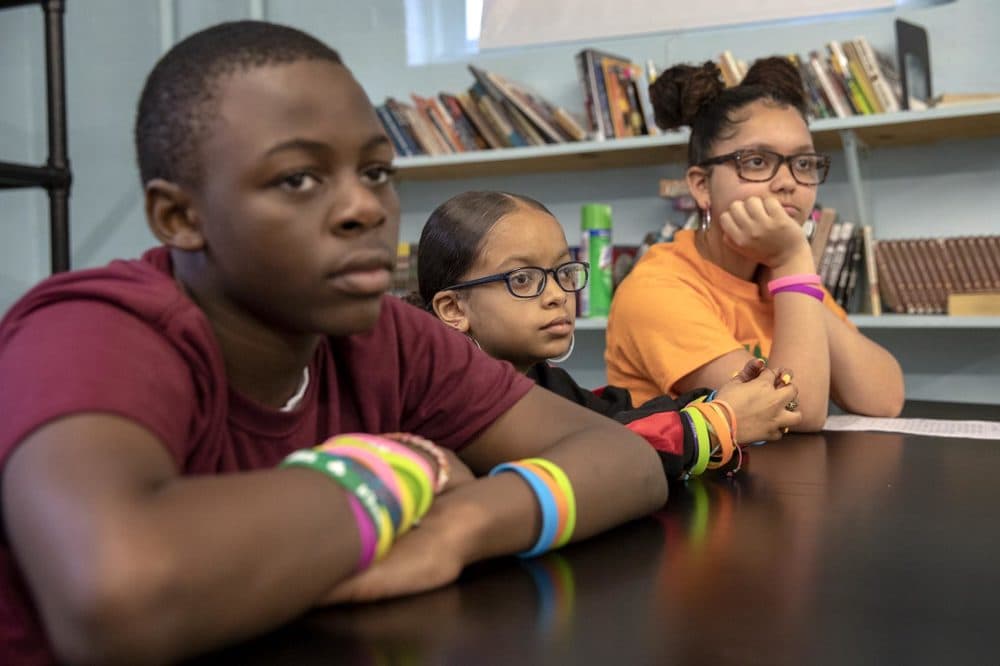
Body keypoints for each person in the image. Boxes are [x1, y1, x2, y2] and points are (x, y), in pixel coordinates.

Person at [0, 22, 668, 665]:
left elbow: (622, 460)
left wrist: (460, 529)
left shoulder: (388, 333)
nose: (366, 209)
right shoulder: (92, 331)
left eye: (376, 172)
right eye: (298, 179)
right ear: (179, 217)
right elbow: (116, 594)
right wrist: (403, 469)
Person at [413, 190, 801, 480]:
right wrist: (718, 424)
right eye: (523, 279)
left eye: (563, 272)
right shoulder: (447, 398)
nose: (557, 295)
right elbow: (594, 455)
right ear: (454, 309)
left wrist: (722, 399)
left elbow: (614, 419)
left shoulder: (540, 378)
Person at [605, 57, 905, 431]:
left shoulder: (774, 271)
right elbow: (794, 411)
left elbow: (884, 398)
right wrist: (793, 260)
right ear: (701, 186)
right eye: (758, 161)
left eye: (805, 163)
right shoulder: (656, 289)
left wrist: (788, 277)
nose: (788, 182)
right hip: (688, 486)